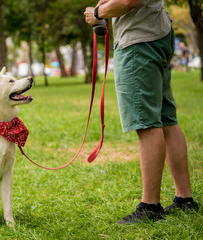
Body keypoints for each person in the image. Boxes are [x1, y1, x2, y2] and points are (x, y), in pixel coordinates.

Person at [84, 0, 199, 224]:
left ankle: (150, 207)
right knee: (167, 119)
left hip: (140, 40)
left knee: (147, 123)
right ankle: (185, 199)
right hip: (156, 33)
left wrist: (98, 12)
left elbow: (129, 1)